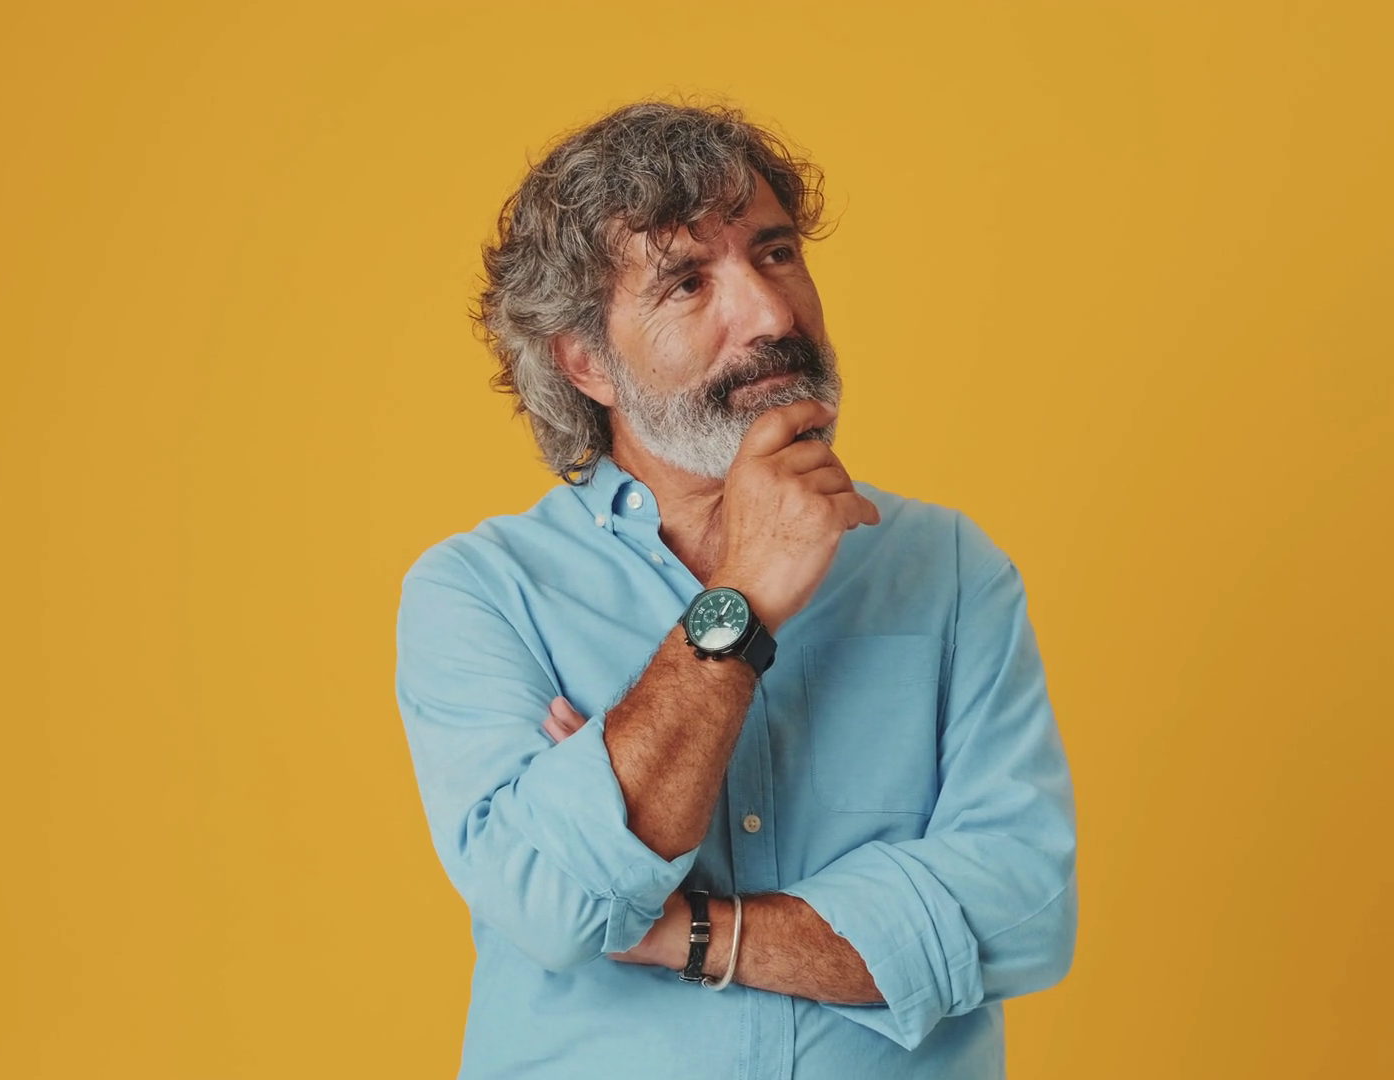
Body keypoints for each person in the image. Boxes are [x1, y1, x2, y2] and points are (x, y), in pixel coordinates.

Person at [394, 100, 1077, 1079]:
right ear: (586, 360)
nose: (771, 314)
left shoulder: (947, 568)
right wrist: (742, 598)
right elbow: (555, 906)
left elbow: (1022, 912)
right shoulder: (481, 593)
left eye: (776, 253)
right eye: (687, 282)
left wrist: (686, 929)